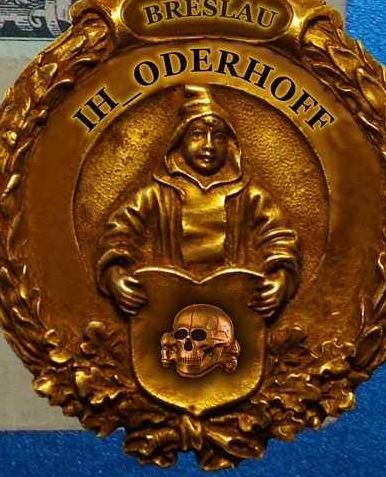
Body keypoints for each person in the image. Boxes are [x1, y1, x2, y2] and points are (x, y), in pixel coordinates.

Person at [95, 86, 298, 318]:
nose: (209, 145)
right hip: (165, 308)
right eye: (197, 134)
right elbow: (117, 235)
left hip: (236, 309)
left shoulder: (249, 196)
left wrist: (281, 279)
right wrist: (115, 276)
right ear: (179, 139)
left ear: (231, 145)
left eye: (219, 137)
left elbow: (280, 238)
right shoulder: (156, 195)